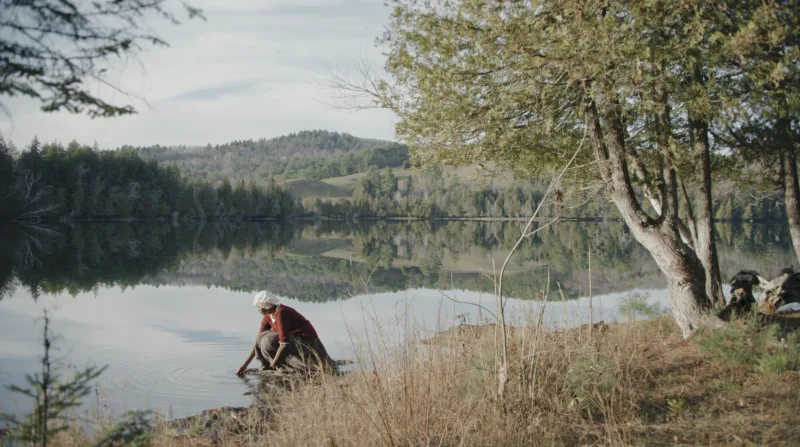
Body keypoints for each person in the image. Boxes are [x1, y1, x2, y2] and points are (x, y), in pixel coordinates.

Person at [236, 291, 334, 376]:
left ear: (266, 306)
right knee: (260, 337)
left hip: (305, 341)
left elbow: (284, 343)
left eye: (259, 307)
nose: (258, 310)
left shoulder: (281, 312)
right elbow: (257, 342)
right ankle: (265, 366)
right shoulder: (268, 316)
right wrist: (245, 365)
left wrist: (274, 363)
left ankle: (282, 368)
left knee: (268, 340)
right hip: (291, 339)